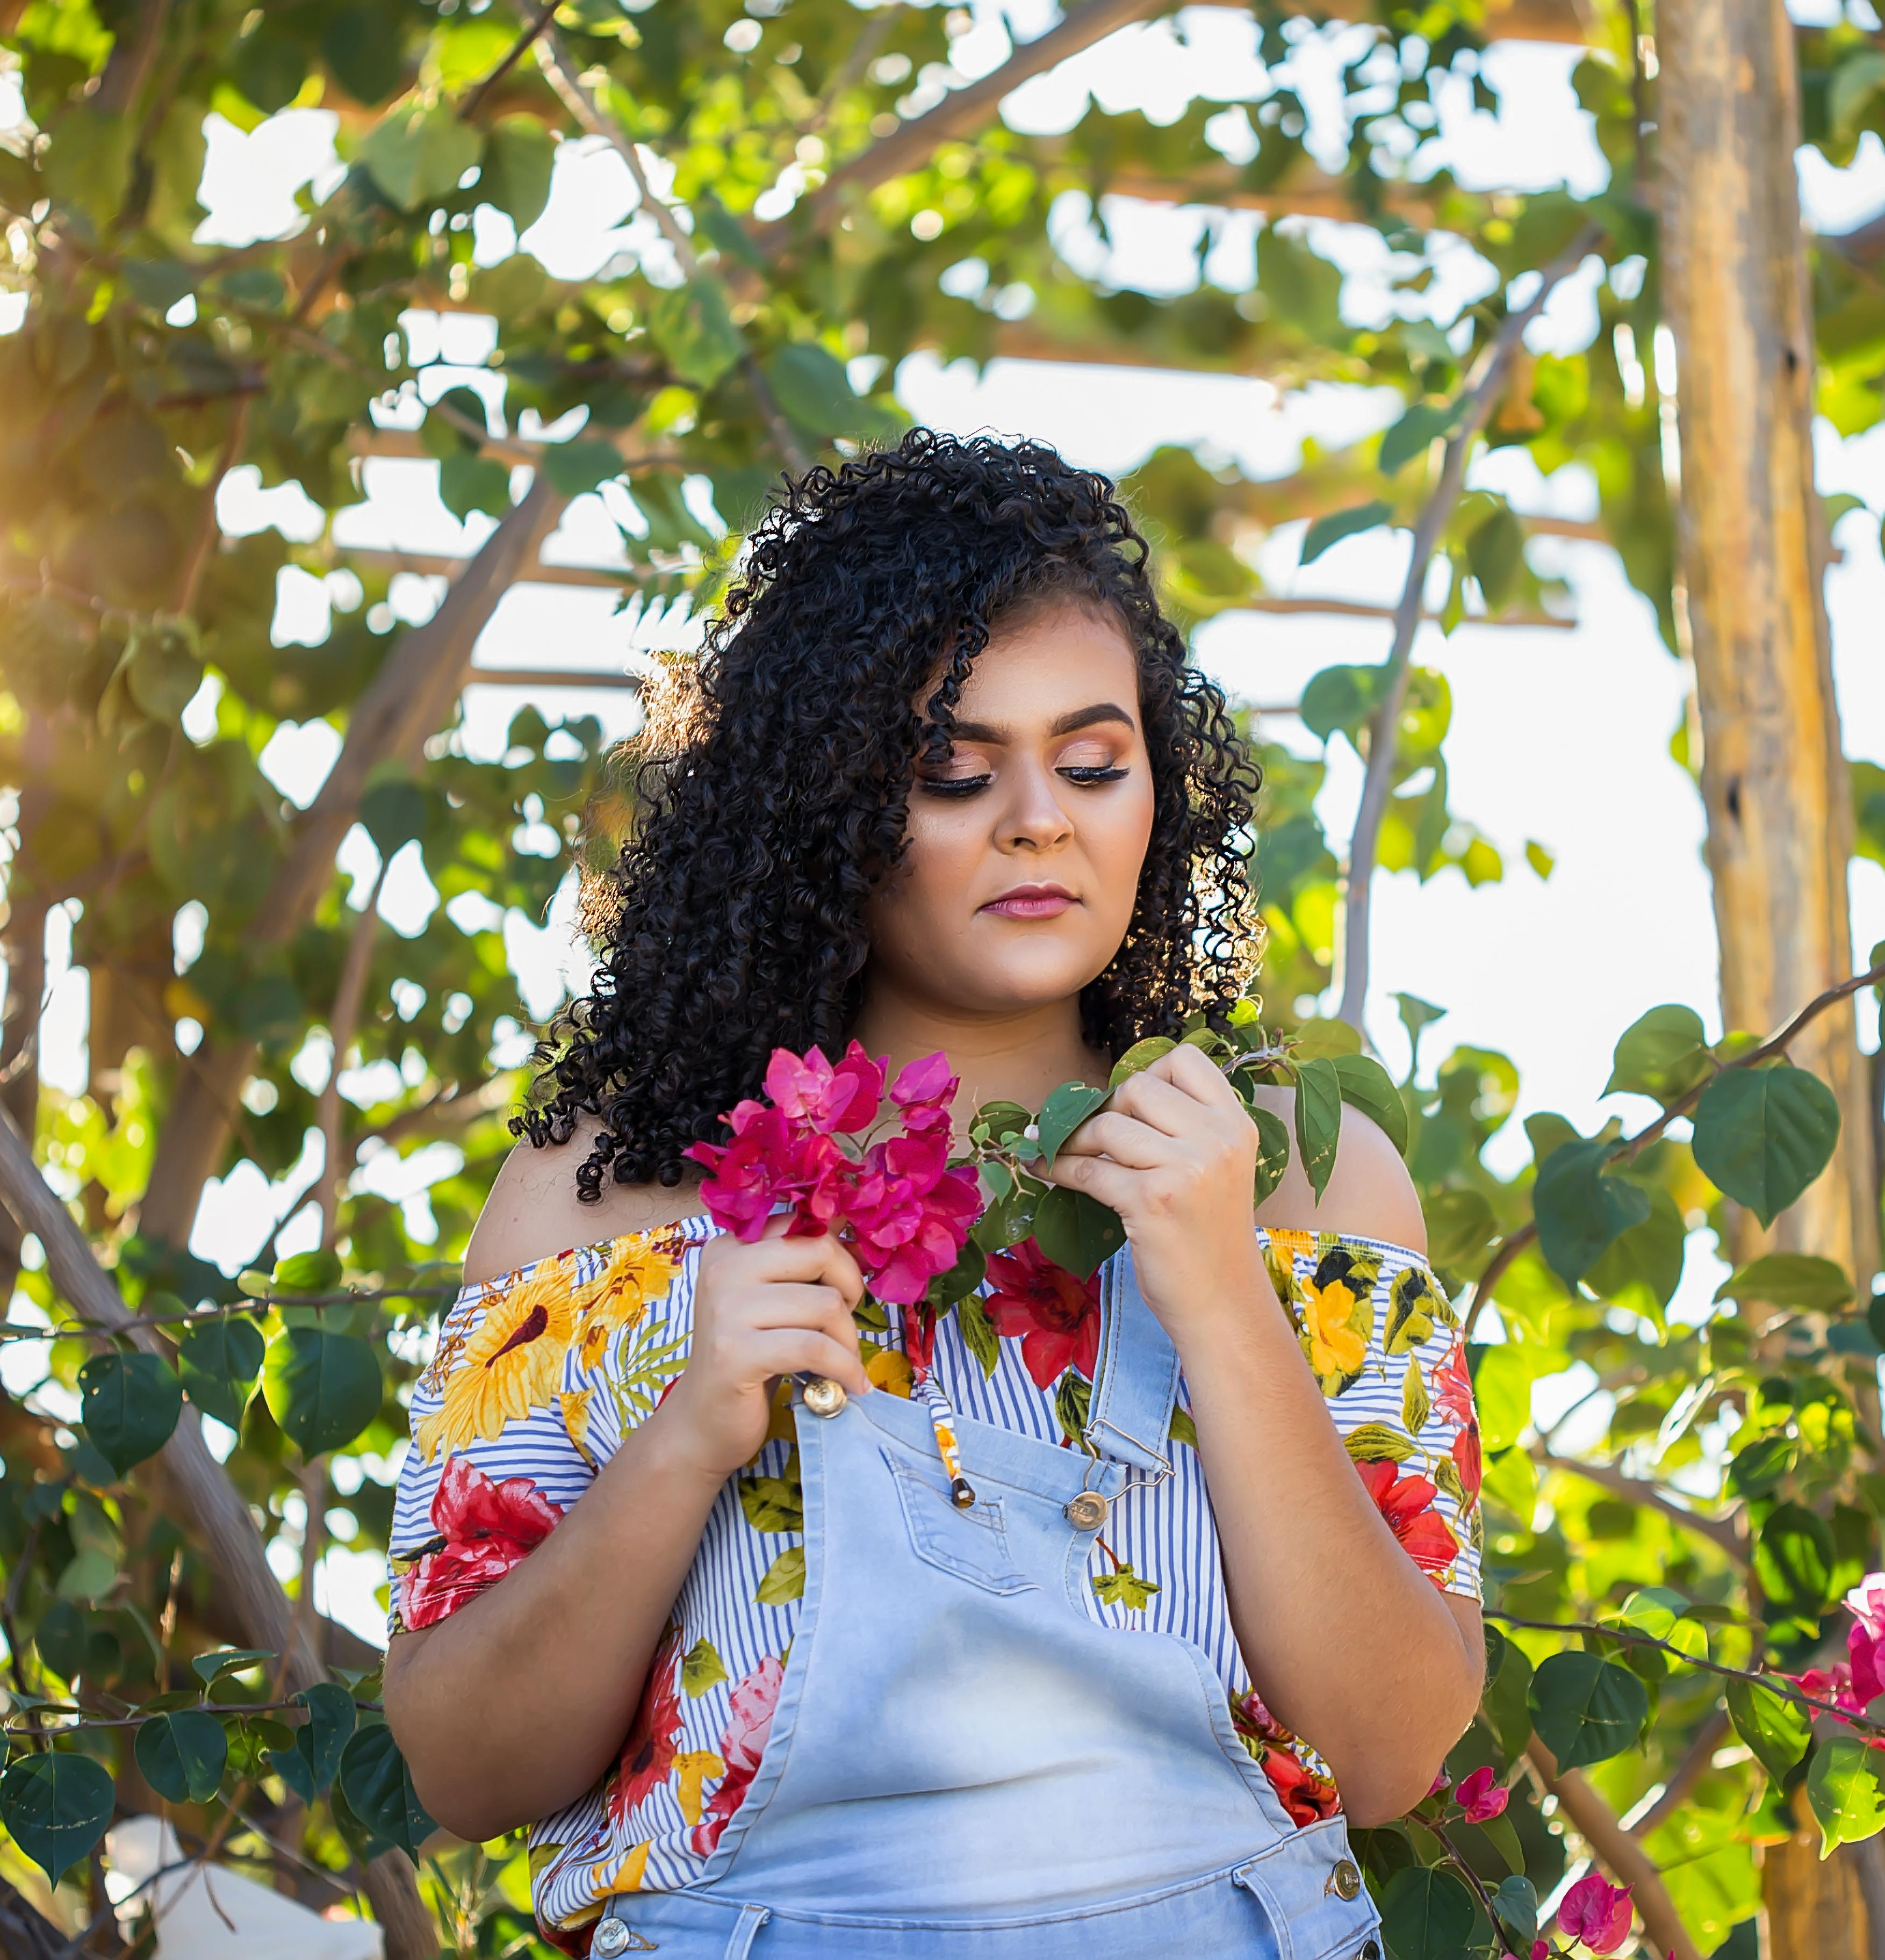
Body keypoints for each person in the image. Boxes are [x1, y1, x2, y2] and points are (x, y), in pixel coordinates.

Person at [382, 429, 1486, 1959]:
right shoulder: (610, 1203)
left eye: (1093, 764)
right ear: (821, 811)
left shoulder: (1294, 1166)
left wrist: (1224, 1294)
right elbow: (462, 1768)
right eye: (955, 772)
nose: (1040, 818)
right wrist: (694, 1428)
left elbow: (1389, 1750)